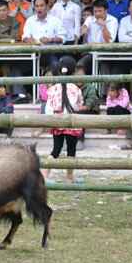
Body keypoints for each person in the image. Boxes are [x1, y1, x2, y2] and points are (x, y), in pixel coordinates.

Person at [43, 56, 83, 184]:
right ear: (73, 71)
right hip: (72, 122)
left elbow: (48, 108)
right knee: (71, 151)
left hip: (57, 122)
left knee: (56, 149)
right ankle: (69, 178)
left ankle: (44, 175)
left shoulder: (52, 89)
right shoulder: (76, 89)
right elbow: (78, 105)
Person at [22, 0, 66, 72]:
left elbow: (63, 38)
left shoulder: (55, 20)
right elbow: (25, 37)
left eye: (42, 6)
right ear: (34, 8)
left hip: (50, 53)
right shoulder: (30, 20)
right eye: (37, 6)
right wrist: (29, 40)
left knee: (55, 64)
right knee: (17, 68)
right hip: (33, 54)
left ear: (47, 6)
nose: (39, 8)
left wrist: (50, 39)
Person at [77, 0, 118, 74]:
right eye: (95, 11)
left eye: (100, 11)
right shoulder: (90, 19)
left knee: (104, 70)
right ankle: (83, 85)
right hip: (90, 52)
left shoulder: (113, 20)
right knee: (80, 65)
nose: (97, 14)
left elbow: (109, 41)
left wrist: (103, 26)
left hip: (106, 53)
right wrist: (84, 30)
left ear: (106, 11)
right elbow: (82, 31)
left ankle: (105, 86)